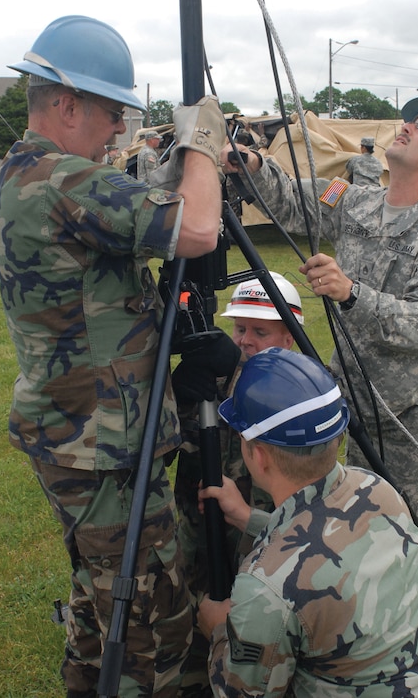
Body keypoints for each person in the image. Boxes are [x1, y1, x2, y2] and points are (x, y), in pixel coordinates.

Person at [0, 15, 226, 698]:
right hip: (103, 446)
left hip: (79, 434)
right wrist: (203, 143)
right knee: (149, 619)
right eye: (112, 110)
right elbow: (201, 228)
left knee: (102, 605)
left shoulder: (36, 172)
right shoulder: (60, 179)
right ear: (66, 104)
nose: (121, 129)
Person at [219, 98, 418, 602]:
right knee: (343, 514)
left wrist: (351, 293)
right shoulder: (355, 199)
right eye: (411, 120)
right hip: (349, 399)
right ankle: (350, 616)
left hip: (410, 416)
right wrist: (250, 163)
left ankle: (416, 637)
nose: (407, 126)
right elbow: (293, 200)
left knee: (412, 531)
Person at [197, 347, 418, 697]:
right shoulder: (377, 491)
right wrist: (247, 517)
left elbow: (242, 692)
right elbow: (329, 536)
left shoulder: (265, 589)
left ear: (259, 455)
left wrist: (219, 631)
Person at [171, 273, 304, 696]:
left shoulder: (297, 396)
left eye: (259, 332)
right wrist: (180, 398)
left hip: (264, 545)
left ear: (289, 340)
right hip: (201, 537)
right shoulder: (214, 378)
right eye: (239, 328)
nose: (245, 341)